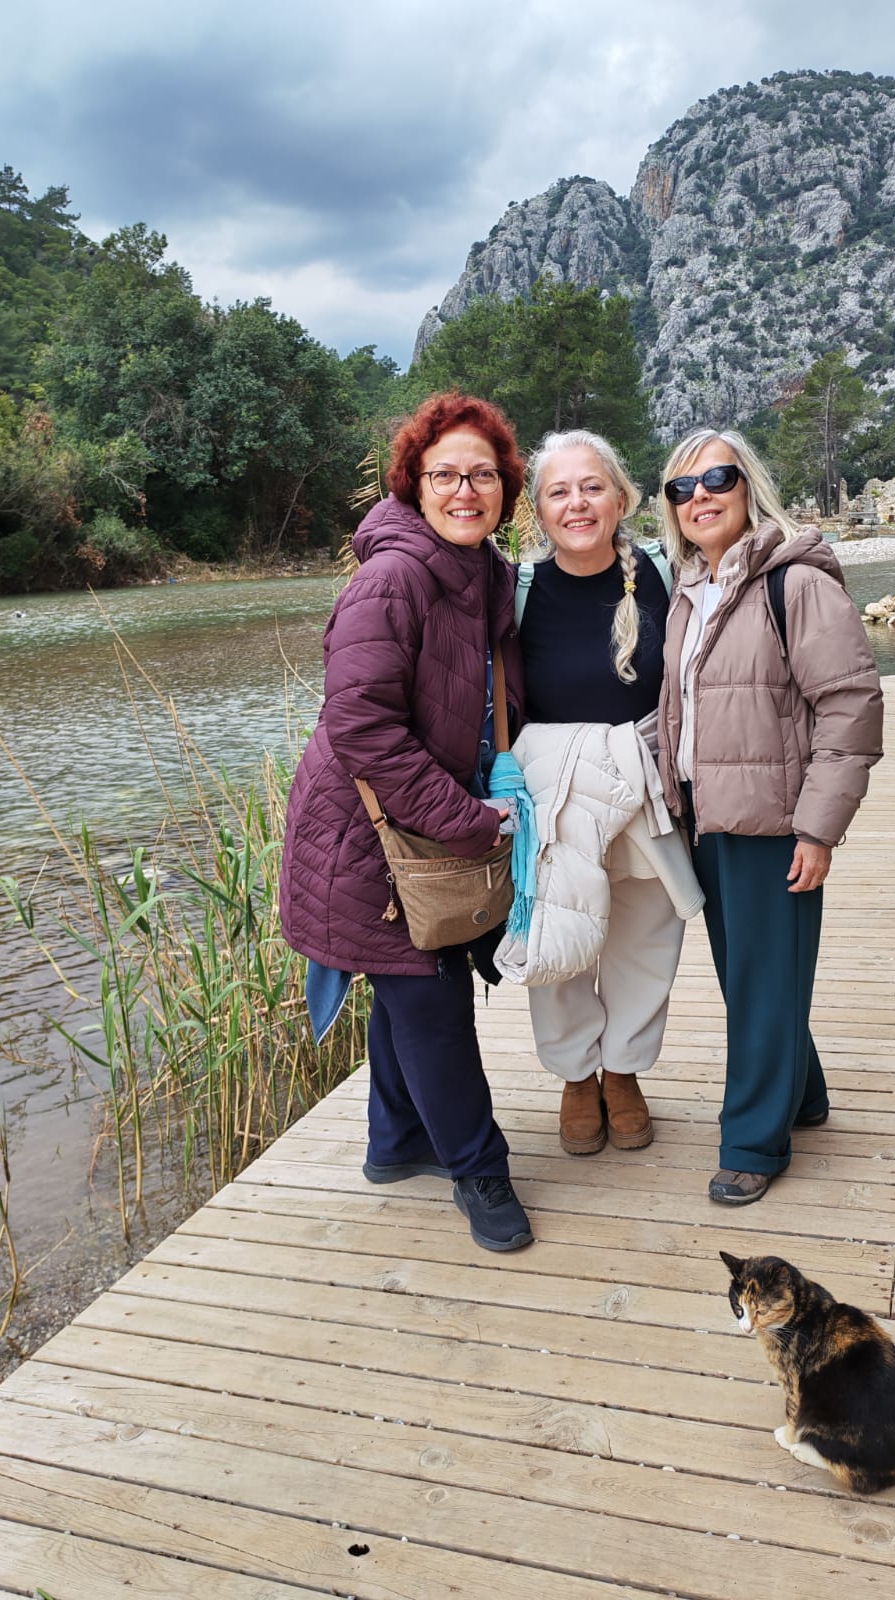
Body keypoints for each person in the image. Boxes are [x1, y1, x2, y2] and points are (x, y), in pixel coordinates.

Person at [279, 392, 534, 1253]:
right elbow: (361, 725)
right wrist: (467, 820)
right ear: (414, 485)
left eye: (483, 475)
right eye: (445, 475)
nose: (466, 491)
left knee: (411, 977)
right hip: (367, 836)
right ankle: (478, 1169)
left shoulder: (485, 573)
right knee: (431, 997)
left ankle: (395, 1142)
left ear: (506, 489)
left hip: (416, 827)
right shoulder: (393, 578)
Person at [655, 428, 883, 1206]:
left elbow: (850, 706)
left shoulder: (796, 583)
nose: (699, 497)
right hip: (708, 818)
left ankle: (754, 1141)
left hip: (774, 823)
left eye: (716, 479)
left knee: (759, 979)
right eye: (681, 488)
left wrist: (818, 828)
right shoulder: (691, 587)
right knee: (752, 976)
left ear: (748, 485)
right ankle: (803, 1095)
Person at [515, 429, 695, 1156]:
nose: (578, 503)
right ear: (539, 511)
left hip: (645, 783)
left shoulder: (665, 574)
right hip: (552, 797)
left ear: (621, 498)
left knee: (645, 940)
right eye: (559, 491)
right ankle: (574, 1075)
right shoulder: (516, 591)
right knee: (558, 939)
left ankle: (622, 1071)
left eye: (592, 487)